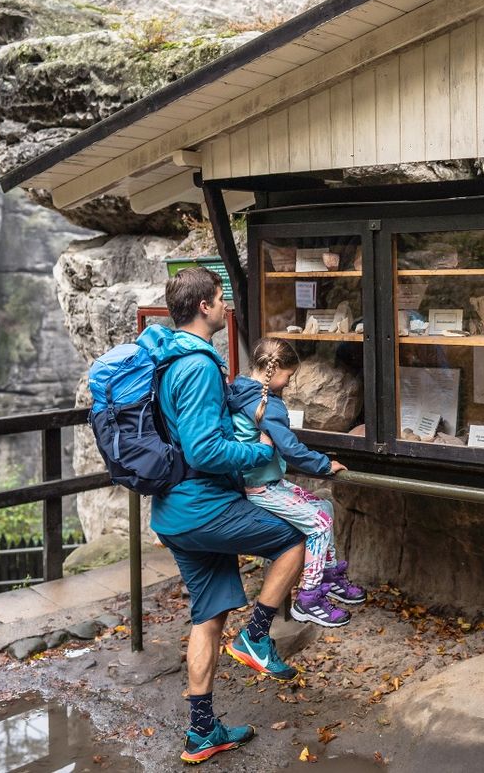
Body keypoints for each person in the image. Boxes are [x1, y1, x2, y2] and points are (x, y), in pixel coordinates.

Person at [150, 266, 308, 765]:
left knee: (208, 614)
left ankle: (202, 732)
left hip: (176, 512)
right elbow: (203, 449)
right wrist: (261, 458)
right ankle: (258, 634)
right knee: (293, 537)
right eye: (221, 298)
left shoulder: (170, 358)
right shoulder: (197, 366)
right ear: (204, 306)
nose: (226, 306)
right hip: (204, 506)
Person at [226, 337, 364, 628]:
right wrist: (324, 465)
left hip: (261, 481)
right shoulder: (267, 405)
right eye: (288, 376)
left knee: (324, 504)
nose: (289, 383)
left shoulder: (238, 390)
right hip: (263, 487)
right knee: (319, 522)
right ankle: (309, 597)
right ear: (274, 371)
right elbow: (290, 448)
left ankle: (327, 573)